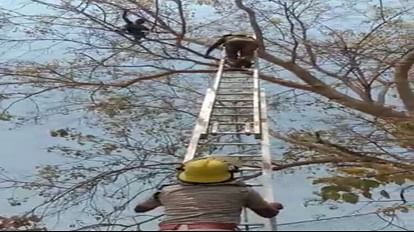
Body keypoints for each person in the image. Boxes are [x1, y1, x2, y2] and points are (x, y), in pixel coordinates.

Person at [134, 157, 283, 231]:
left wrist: (163, 200)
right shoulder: (242, 192)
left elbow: (140, 208)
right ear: (228, 174)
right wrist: (273, 206)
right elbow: (268, 214)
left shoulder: (166, 192)